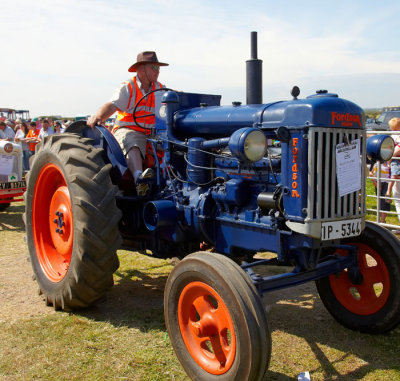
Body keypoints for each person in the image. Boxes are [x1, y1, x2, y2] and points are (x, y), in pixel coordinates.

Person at [87, 51, 168, 196]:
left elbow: (172, 97)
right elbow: (112, 105)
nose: (158, 71)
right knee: (133, 141)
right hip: (128, 129)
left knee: (172, 142)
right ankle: (139, 180)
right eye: (154, 68)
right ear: (141, 69)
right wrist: (99, 116)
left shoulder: (160, 88)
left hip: (151, 133)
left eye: (159, 68)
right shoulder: (128, 87)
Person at [386, 118, 400, 224]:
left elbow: (395, 151)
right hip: (395, 163)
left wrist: (389, 160)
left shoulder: (394, 137)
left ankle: (388, 191)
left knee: (397, 196)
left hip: (396, 162)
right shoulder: (395, 136)